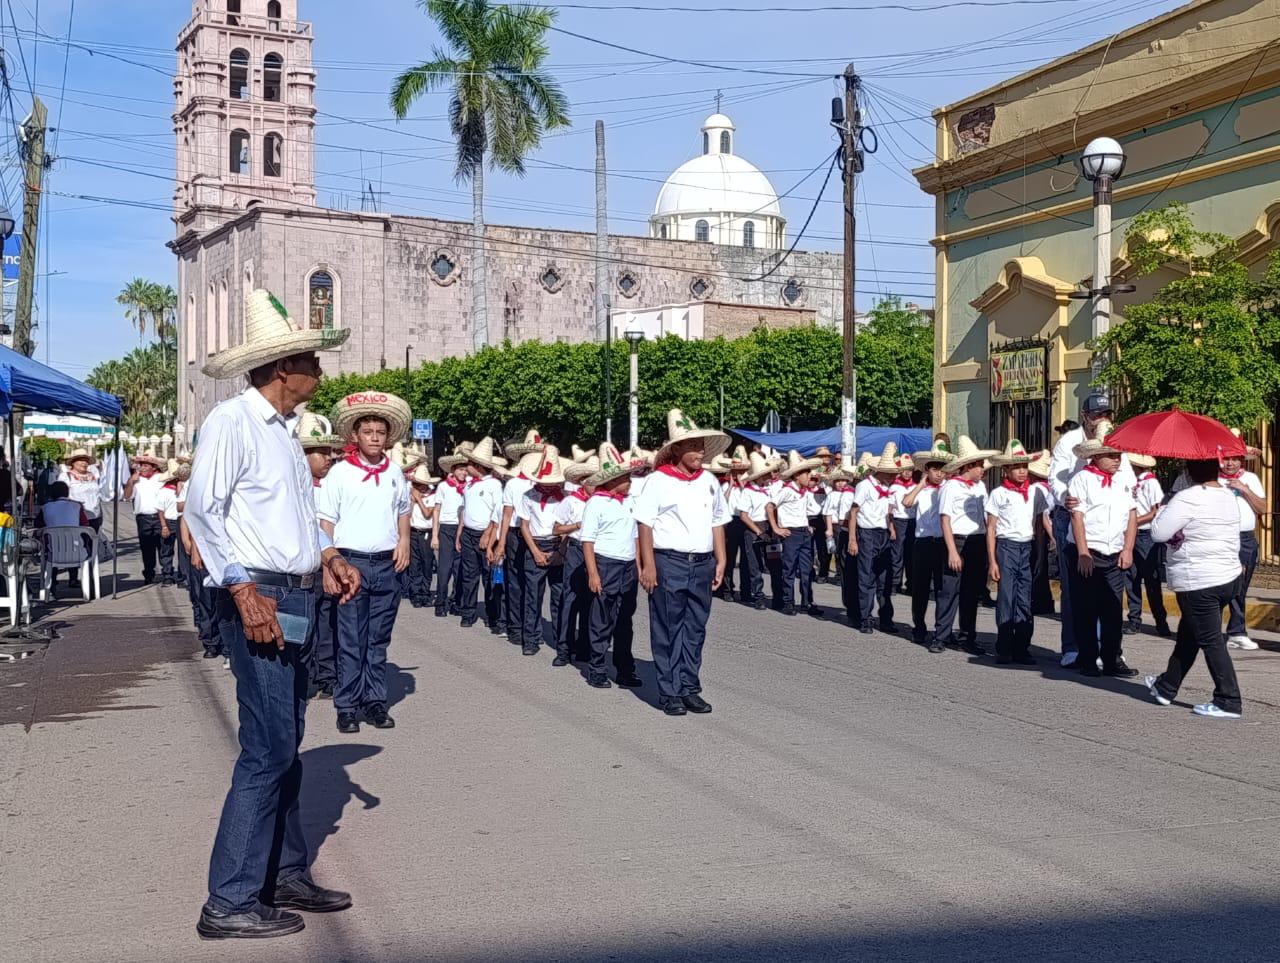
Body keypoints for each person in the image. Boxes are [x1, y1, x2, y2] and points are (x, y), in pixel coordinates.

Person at [185, 287, 360, 940]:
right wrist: (240, 589)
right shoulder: (234, 423)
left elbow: (289, 520)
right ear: (284, 368)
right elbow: (202, 512)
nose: (320, 368)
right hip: (257, 594)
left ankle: (281, 871)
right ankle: (228, 898)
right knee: (267, 749)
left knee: (285, 742)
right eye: (312, 358)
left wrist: (327, 555)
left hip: (290, 592)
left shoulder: (283, 434)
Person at [317, 391, 413, 734]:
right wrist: (329, 565)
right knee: (350, 639)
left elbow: (403, 510)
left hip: (385, 564)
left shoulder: (395, 474)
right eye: (368, 431)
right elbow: (325, 522)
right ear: (355, 436)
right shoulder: (340, 473)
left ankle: (374, 700)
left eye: (380, 432)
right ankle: (347, 704)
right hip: (350, 564)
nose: (374, 437)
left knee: (378, 638)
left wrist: (404, 541)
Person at [633, 409, 730, 717]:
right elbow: (644, 524)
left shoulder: (710, 482)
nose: (699, 451)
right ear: (676, 450)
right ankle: (669, 690)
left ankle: (689, 687)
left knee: (695, 628)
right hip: (668, 561)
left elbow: (718, 521)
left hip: (701, 562)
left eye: (702, 445)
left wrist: (722, 558)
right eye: (693, 446)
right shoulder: (658, 481)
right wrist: (648, 565)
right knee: (668, 627)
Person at [1146, 458, 1244, 719]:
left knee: (1210, 639)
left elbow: (1158, 532)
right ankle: (1166, 686)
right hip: (1227, 576)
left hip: (1198, 579)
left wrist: (1162, 510)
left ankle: (1228, 699)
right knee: (1189, 634)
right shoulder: (1227, 494)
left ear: (1189, 473)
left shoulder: (1187, 497)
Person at [1048, 393, 1134, 666]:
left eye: (1107, 414)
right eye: (1097, 414)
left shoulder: (1116, 444)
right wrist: (1066, 498)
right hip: (1073, 516)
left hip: (1108, 523)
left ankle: (1109, 651)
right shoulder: (1069, 442)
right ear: (1085, 416)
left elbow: (1128, 480)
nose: (1103, 419)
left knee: (1109, 597)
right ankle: (1074, 647)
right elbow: (1056, 477)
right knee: (1076, 586)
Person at [1066, 428, 1138, 678]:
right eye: (1110, 455)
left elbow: (1131, 515)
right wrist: (1083, 552)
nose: (1116, 459)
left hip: (1114, 551)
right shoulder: (1081, 479)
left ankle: (1112, 659)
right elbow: (1078, 517)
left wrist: (1128, 548)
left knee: (1113, 609)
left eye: (1118, 454)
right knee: (1086, 608)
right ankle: (1087, 658)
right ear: (1095, 456)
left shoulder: (1124, 480)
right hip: (1090, 550)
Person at [580, 447, 644, 689]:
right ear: (612, 480)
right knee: (602, 618)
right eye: (625, 478)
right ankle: (597, 667)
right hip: (605, 563)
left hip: (627, 565)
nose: (629, 482)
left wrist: (638, 564)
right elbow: (588, 540)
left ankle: (625, 669)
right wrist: (593, 573)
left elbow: (636, 535)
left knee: (624, 620)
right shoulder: (596, 504)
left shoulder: (630, 502)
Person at [985, 440, 1047, 665]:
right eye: (1016, 467)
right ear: (1006, 469)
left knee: (1024, 599)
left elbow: (1039, 525)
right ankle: (1004, 646)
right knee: (1006, 598)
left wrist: (1039, 553)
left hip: (1026, 545)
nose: (1022, 471)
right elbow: (991, 528)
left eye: (1024, 466)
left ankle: (1022, 646)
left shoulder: (1035, 492)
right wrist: (992, 560)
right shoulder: (999, 494)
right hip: (1007, 546)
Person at [936, 436, 998, 655]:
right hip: (958, 539)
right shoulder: (950, 487)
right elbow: (945, 519)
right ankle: (941, 635)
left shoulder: (981, 486)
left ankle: (967, 636)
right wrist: (952, 550)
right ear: (969, 466)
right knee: (949, 590)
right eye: (979, 465)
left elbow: (985, 517)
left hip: (977, 540)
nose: (982, 469)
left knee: (972, 592)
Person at [297, 411, 344, 699]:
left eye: (330, 452)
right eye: (321, 452)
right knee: (303, 625)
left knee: (327, 622)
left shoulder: (332, 484)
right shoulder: (291, 485)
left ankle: (326, 674)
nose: (328, 458)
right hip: (301, 565)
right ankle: (305, 674)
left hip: (329, 563)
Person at [518, 445, 567, 658]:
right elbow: (524, 526)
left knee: (559, 597)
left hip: (558, 545)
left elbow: (569, 526)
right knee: (532, 595)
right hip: (535, 543)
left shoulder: (565, 497)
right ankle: (530, 638)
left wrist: (560, 552)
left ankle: (561, 639)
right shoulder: (528, 496)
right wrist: (535, 551)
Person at [901, 442, 951, 650]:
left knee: (942, 588)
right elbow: (906, 502)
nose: (938, 474)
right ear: (927, 471)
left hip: (941, 542)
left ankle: (941, 630)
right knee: (920, 588)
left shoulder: (948, 489)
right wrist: (921, 484)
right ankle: (919, 625)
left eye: (941, 469)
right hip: (922, 542)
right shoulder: (922, 490)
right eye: (934, 470)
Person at [1220, 432, 1266, 651]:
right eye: (1226, 458)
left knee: (1241, 585)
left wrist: (1245, 490)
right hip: (1221, 537)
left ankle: (1237, 630)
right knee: (1219, 584)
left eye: (1234, 458)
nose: (1230, 463)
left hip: (1245, 539)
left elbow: (1263, 509)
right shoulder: (1214, 480)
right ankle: (1212, 630)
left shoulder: (1250, 479)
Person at [847, 444, 900, 634]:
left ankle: (886, 618)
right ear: (880, 471)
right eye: (890, 472)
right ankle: (865, 618)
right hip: (867, 533)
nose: (893, 476)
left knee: (884, 579)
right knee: (866, 576)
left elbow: (889, 510)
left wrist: (891, 527)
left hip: (883, 533)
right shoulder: (864, 486)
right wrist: (853, 539)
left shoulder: (888, 487)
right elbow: (854, 512)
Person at [457, 437, 507, 631]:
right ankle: (468, 612)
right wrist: (461, 532)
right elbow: (465, 510)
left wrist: (489, 533)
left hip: (486, 534)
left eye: (470, 463)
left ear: (478, 466)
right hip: (469, 533)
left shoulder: (493, 485)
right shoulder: (470, 485)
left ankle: (493, 616)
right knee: (469, 575)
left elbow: (499, 511)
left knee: (490, 576)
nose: (467, 466)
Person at [768, 450, 825, 619]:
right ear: (797, 475)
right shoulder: (786, 490)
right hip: (791, 533)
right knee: (789, 568)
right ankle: (788, 602)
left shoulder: (803, 491)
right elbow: (770, 506)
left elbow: (803, 511)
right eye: (806, 473)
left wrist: (807, 525)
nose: (809, 476)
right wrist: (776, 528)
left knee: (807, 569)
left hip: (803, 531)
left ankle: (806, 601)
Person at [556, 452, 599, 662]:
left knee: (590, 601)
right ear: (582, 482)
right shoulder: (571, 502)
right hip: (576, 548)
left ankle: (584, 647)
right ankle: (564, 648)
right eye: (591, 481)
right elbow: (556, 528)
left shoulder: (602, 502)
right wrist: (577, 525)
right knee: (570, 598)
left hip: (598, 551)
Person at [1126, 452, 1170, 637]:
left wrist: (1135, 522)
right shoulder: (1130, 482)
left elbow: (1156, 510)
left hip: (1145, 534)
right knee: (1131, 578)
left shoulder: (1150, 482)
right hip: (1132, 533)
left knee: (1151, 580)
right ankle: (1134, 619)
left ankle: (1160, 620)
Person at [433, 445, 471, 618]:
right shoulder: (443, 487)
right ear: (454, 470)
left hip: (463, 528)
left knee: (460, 568)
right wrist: (435, 535)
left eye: (465, 470)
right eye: (461, 469)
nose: (464, 473)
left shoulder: (470, 486)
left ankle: (457, 600)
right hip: (447, 527)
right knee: (444, 567)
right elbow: (437, 510)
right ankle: (440, 602)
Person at [737, 452, 776, 611]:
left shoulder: (768, 489)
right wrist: (759, 532)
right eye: (766, 474)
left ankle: (775, 594)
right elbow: (744, 516)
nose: (769, 476)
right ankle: (757, 595)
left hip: (768, 525)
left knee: (772, 562)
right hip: (754, 527)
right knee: (754, 564)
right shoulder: (748, 491)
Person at [124, 451, 166, 584]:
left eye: (146, 465)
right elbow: (127, 496)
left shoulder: (161, 478)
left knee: (163, 545)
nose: (142, 467)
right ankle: (149, 573)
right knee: (146, 547)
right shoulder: (136, 479)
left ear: (154, 467)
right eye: (141, 464)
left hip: (160, 516)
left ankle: (167, 572)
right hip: (143, 517)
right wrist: (131, 482)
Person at [1027, 449, 1057, 616]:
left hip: (1038, 531)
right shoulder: (1048, 488)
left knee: (1037, 566)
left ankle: (1039, 601)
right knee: (1041, 567)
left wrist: (1051, 535)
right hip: (1043, 531)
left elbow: (1043, 515)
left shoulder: (1036, 488)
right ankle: (1045, 601)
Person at [406, 464, 441, 609]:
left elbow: (428, 514)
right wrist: (413, 502)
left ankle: (425, 592)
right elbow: (406, 515)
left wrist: (419, 500)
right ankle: (416, 593)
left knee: (427, 563)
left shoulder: (432, 495)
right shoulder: (411, 494)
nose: (418, 486)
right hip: (414, 531)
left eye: (420, 484)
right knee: (415, 564)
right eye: (416, 484)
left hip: (426, 532)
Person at [59, 448, 102, 533]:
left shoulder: (93, 476)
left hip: (95, 516)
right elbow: (61, 497)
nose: (84, 463)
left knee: (93, 542)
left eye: (86, 460)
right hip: (75, 517)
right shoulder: (65, 476)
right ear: (73, 462)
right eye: (81, 460)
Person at [890, 454, 916, 594]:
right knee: (897, 553)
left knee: (911, 553)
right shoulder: (894, 487)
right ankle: (895, 582)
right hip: (899, 520)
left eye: (910, 470)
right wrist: (891, 526)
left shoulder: (916, 486)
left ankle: (911, 583)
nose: (907, 472)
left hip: (912, 521)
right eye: (905, 469)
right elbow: (890, 508)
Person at [154, 460, 182, 586]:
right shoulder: (163, 491)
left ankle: (183, 575)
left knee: (183, 550)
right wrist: (164, 526)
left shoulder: (184, 488)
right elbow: (160, 510)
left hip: (181, 521)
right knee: (166, 549)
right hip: (169, 521)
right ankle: (167, 574)